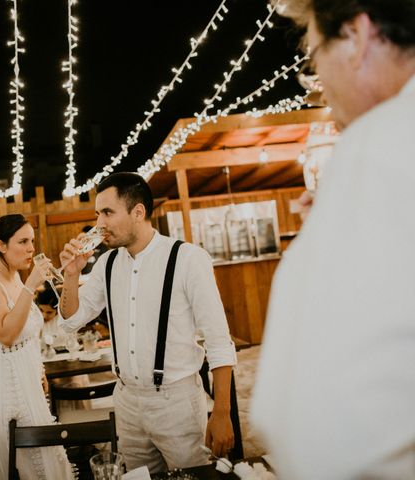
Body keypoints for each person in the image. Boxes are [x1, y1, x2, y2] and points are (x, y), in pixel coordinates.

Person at [250, 2, 415, 479]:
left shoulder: (378, 146)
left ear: (358, 36)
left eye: (313, 53)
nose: (316, 74)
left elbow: (322, 428)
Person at [58, 172, 237, 474]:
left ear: (138, 212)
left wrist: (221, 411)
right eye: (97, 213)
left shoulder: (188, 259)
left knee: (191, 475)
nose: (99, 223)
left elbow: (219, 341)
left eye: (107, 212)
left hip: (176, 401)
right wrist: (72, 274)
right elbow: (72, 318)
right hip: (127, 402)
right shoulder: (107, 263)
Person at [0, 214, 74, 479]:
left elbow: (27, 337)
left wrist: (39, 370)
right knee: (11, 461)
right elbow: (6, 334)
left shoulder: (15, 278)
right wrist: (30, 286)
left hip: (26, 380)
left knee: (44, 459)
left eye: (32, 241)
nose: (31, 248)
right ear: (1, 246)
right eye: (23, 241)